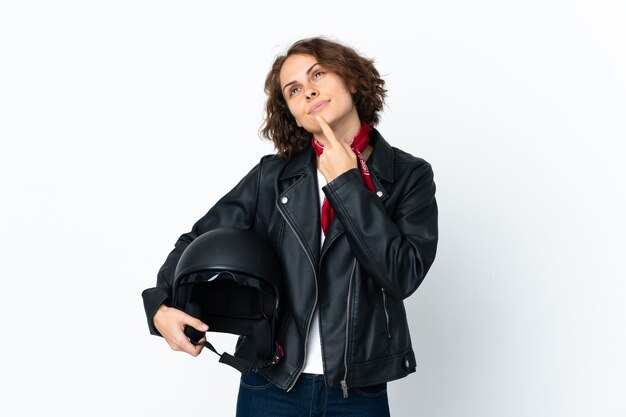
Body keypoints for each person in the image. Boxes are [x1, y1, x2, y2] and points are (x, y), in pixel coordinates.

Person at [141, 36, 438, 417]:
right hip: (270, 384)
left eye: (318, 73)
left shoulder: (408, 176)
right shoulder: (273, 177)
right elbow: (198, 239)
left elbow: (402, 275)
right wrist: (159, 304)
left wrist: (346, 183)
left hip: (358, 392)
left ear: (351, 80)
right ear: (294, 115)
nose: (308, 90)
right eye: (294, 89)